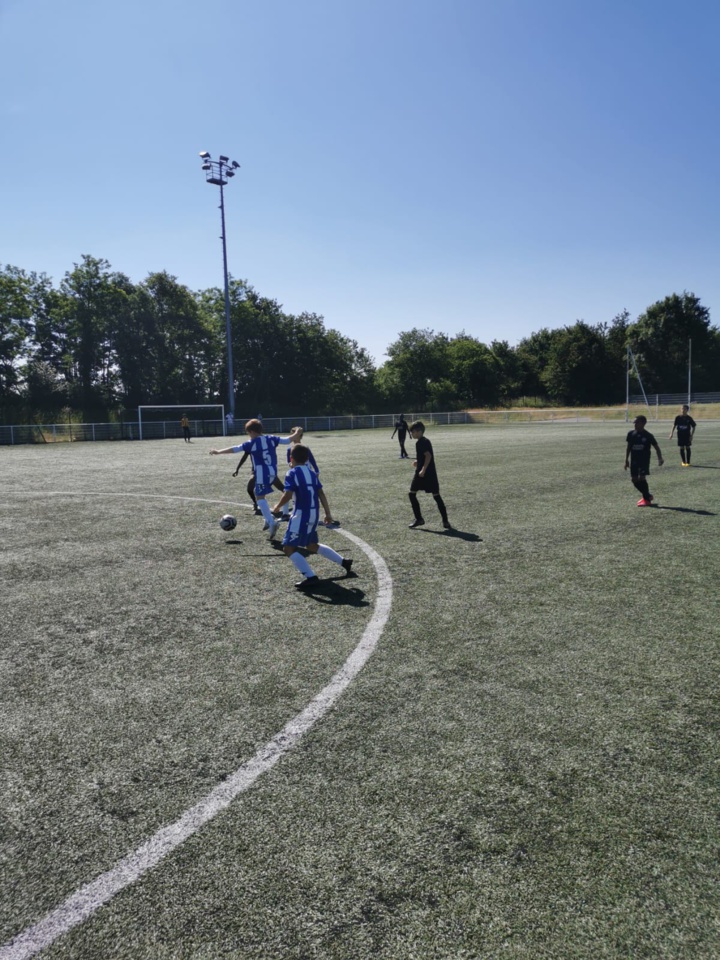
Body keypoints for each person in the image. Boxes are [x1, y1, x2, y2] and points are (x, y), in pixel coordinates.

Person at [272, 444, 354, 589]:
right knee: (311, 545)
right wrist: (328, 513)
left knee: (288, 548)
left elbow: (288, 494)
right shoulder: (311, 473)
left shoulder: (291, 473)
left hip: (300, 516)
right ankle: (344, 562)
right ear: (307, 458)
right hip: (314, 514)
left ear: (291, 458)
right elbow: (321, 493)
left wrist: (277, 507)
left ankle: (311, 577)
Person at [210, 419, 298, 538]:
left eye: (248, 433)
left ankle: (272, 523)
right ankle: (268, 519)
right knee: (260, 494)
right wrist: (297, 431)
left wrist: (218, 452)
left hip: (262, 473)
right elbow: (288, 439)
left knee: (259, 497)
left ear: (251, 431)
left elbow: (235, 449)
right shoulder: (271, 438)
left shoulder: (251, 443)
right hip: (273, 471)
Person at [407, 421, 451, 529]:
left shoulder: (423, 442)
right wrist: (418, 461)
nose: (411, 434)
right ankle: (444, 521)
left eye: (413, 432)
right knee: (434, 495)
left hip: (425, 473)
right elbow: (424, 456)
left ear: (419, 431)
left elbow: (428, 456)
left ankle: (420, 519)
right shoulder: (422, 442)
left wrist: (423, 469)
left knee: (414, 494)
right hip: (428, 472)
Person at [625, 415, 664, 506]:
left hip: (644, 461)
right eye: (634, 422)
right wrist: (626, 460)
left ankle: (647, 500)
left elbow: (657, 448)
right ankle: (647, 495)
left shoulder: (648, 435)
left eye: (637, 422)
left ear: (643, 423)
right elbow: (628, 448)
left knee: (642, 478)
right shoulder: (631, 434)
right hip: (634, 460)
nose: (634, 424)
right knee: (634, 480)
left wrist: (660, 458)